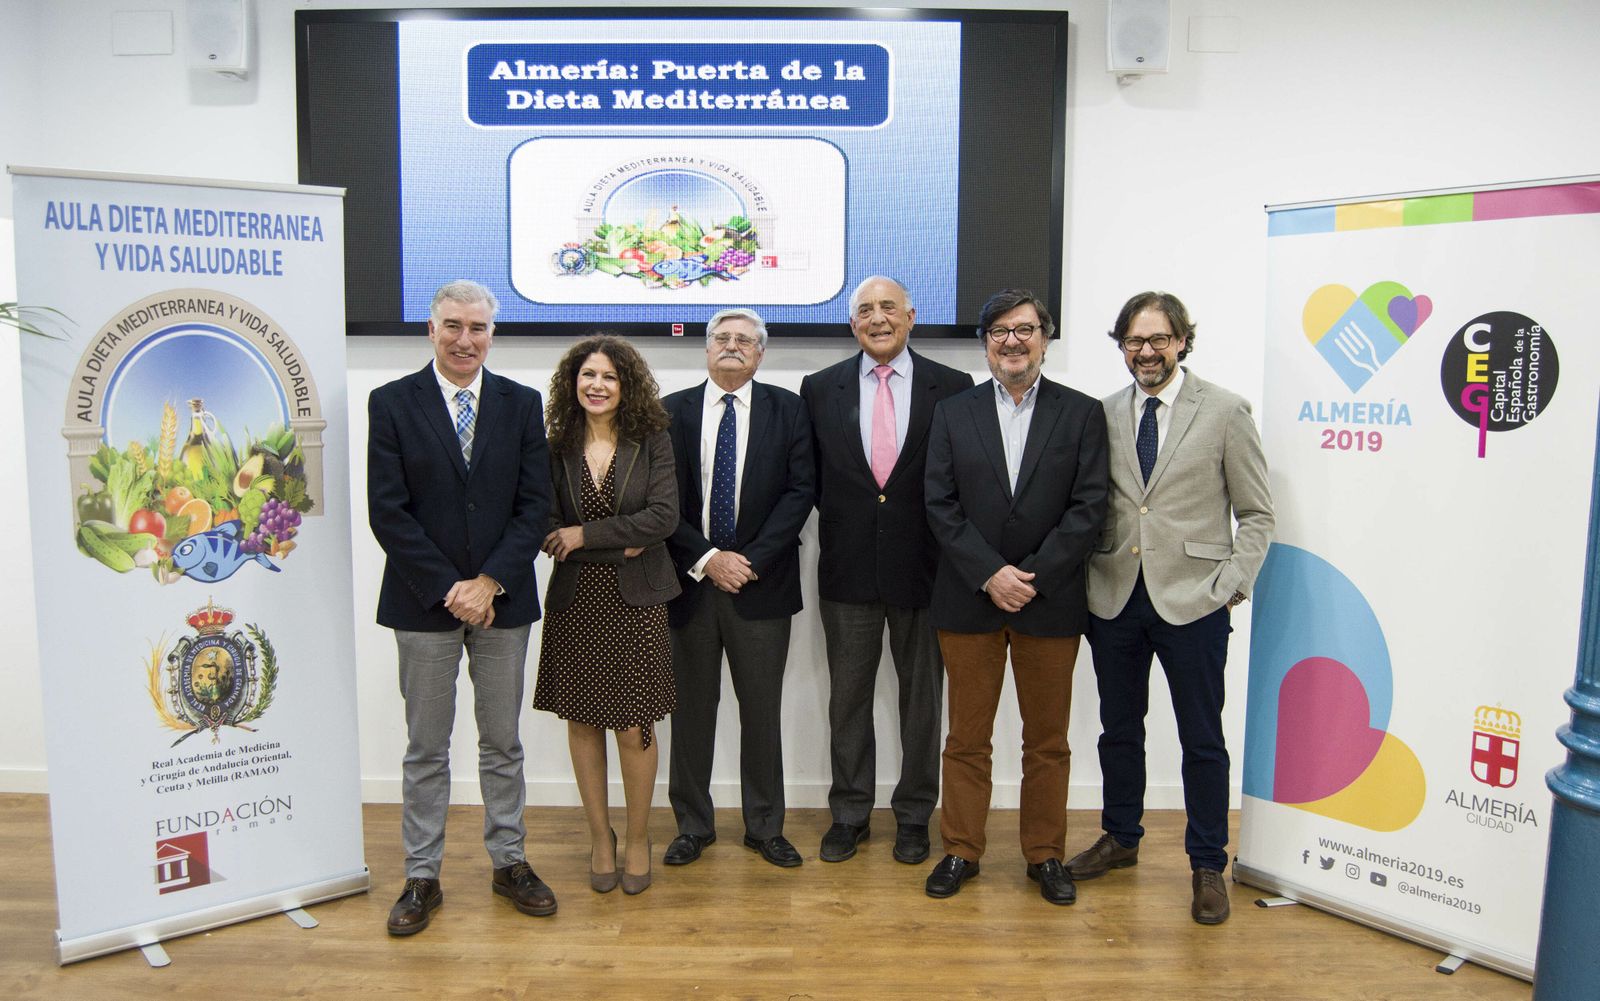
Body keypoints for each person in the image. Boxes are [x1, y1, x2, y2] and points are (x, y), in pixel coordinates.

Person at [1067, 291, 1274, 925]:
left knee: (1201, 738)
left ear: (1182, 341)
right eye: (1134, 341)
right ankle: (1121, 838)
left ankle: (1208, 863)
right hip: (1114, 596)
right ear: (1122, 347)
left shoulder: (1225, 411)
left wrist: (1233, 582)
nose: (1147, 352)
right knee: (1118, 732)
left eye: (1158, 340)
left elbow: (1259, 513)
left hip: (1195, 601)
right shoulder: (1100, 414)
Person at [368, 279, 554, 935]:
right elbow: (388, 512)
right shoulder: (390, 402)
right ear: (431, 328)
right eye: (453, 325)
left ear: (492, 334)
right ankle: (422, 874)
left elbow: (536, 507)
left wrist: (490, 581)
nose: (465, 338)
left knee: (502, 740)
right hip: (424, 603)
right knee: (426, 746)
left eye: (478, 327)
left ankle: (510, 861)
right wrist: (453, 586)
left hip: (503, 603)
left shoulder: (522, 403)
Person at [922, 288, 1108, 905]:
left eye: (1025, 329)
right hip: (969, 600)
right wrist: (990, 574)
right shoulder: (953, 412)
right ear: (986, 344)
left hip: (1048, 602)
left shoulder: (1081, 414)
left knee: (1047, 741)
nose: (1012, 341)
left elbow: (1088, 509)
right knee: (966, 738)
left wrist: (1030, 576)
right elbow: (940, 505)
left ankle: (1046, 855)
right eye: (1000, 331)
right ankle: (960, 850)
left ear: (1045, 339)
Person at [800, 276, 973, 866]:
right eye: (865, 310)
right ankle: (849, 812)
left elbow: (956, 482)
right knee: (847, 698)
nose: (877, 319)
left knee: (922, 700)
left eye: (888, 308)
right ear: (853, 323)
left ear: (911, 316)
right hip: (846, 570)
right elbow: (813, 480)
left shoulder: (951, 387)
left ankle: (916, 814)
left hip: (926, 572)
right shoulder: (818, 388)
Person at [661, 308, 815, 869]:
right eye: (721, 339)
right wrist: (706, 558)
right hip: (689, 586)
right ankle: (692, 826)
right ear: (705, 350)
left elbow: (800, 494)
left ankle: (765, 827)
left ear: (760, 354)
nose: (731, 347)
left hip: (761, 586)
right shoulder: (669, 411)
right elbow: (662, 504)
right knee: (692, 711)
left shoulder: (790, 410)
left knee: (761, 710)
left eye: (743, 341)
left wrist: (744, 562)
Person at [534, 335, 680, 896]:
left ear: (628, 386)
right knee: (583, 723)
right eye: (587, 375)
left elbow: (663, 518)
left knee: (634, 727)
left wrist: (584, 536)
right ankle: (601, 837)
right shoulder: (555, 446)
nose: (597, 385)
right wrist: (617, 543)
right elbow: (548, 532)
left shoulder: (653, 440)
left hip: (637, 604)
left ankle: (639, 836)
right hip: (576, 602)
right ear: (573, 383)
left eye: (609, 377)